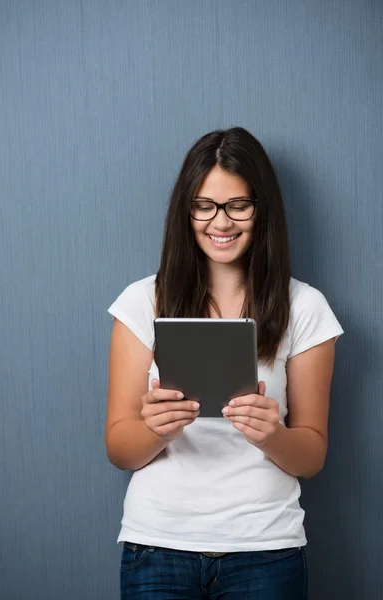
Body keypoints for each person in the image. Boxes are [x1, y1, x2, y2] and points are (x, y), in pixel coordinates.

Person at [105, 127, 343, 599]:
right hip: (158, 546)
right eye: (205, 205)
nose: (221, 221)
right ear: (187, 209)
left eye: (239, 205)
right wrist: (157, 429)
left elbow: (312, 456)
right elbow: (118, 448)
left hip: (266, 548)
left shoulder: (306, 307)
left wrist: (272, 434)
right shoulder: (141, 301)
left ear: (262, 208)